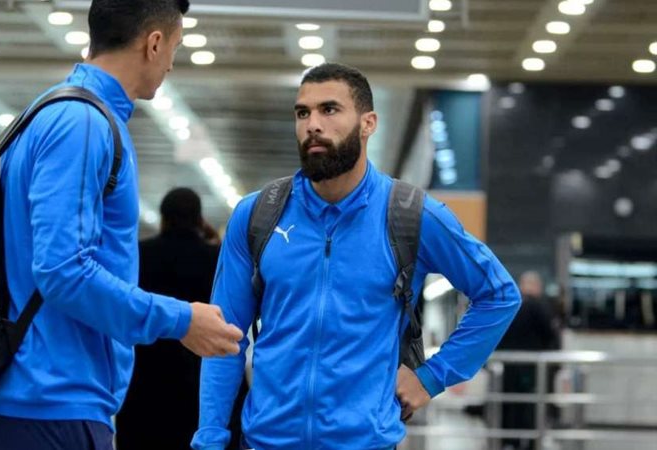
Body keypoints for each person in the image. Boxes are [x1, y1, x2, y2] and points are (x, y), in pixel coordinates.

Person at [191, 63, 522, 450]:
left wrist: (432, 377)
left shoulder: (410, 216)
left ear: (368, 124)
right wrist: (210, 437)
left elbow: (499, 295)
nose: (313, 125)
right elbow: (224, 336)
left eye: (329, 110)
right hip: (266, 441)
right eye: (303, 113)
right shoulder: (258, 215)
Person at [0, 2, 243, 449]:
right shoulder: (82, 123)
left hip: (49, 396)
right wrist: (182, 319)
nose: (171, 64)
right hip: (53, 398)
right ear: (153, 43)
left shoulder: (62, 111)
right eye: (175, 46)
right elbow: (63, 270)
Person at [116, 188, 245, 449]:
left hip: (144, 389)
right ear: (199, 218)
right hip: (200, 387)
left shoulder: (138, 256)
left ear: (163, 219)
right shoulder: (216, 259)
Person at [497, 271, 561, 450]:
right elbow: (551, 336)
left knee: (509, 405)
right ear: (537, 286)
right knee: (531, 406)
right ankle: (531, 443)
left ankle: (508, 442)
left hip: (507, 368)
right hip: (532, 369)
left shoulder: (508, 305)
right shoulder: (540, 308)